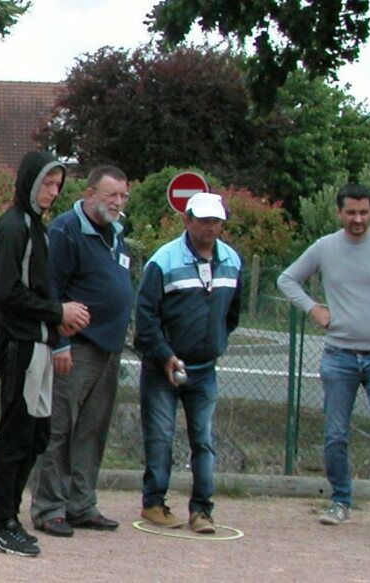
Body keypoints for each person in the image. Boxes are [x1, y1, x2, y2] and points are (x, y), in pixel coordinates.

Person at [277, 183, 370, 539]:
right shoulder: (325, 247)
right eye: (350, 213)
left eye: (363, 212)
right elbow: (287, 279)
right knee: (335, 434)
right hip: (340, 354)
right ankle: (340, 500)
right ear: (339, 213)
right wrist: (313, 308)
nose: (357, 219)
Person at [0, 151, 89, 557]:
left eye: (58, 185)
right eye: (47, 183)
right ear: (29, 181)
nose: (53, 192)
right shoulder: (13, 228)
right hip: (21, 346)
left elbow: (40, 288)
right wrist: (56, 312)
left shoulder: (36, 229)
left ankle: (10, 517)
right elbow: (7, 293)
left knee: (36, 434)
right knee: (15, 435)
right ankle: (1, 524)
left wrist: (59, 321)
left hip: (41, 343)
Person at [30, 165, 131, 537]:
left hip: (108, 347)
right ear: (90, 195)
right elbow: (50, 290)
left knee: (93, 429)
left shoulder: (116, 234)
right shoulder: (65, 231)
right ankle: (50, 507)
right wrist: (62, 343)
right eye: (111, 196)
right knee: (59, 428)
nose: (118, 203)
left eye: (122, 196)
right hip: (76, 348)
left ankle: (81, 503)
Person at [133, 193, 243, 534]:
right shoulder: (163, 261)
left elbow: (232, 313)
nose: (211, 227)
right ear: (187, 220)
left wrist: (215, 343)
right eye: (204, 220)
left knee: (203, 440)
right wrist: (165, 354)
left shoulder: (233, 261)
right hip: (162, 366)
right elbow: (146, 315)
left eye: (216, 221)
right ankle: (154, 503)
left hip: (204, 367)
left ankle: (202, 510)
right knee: (160, 437)